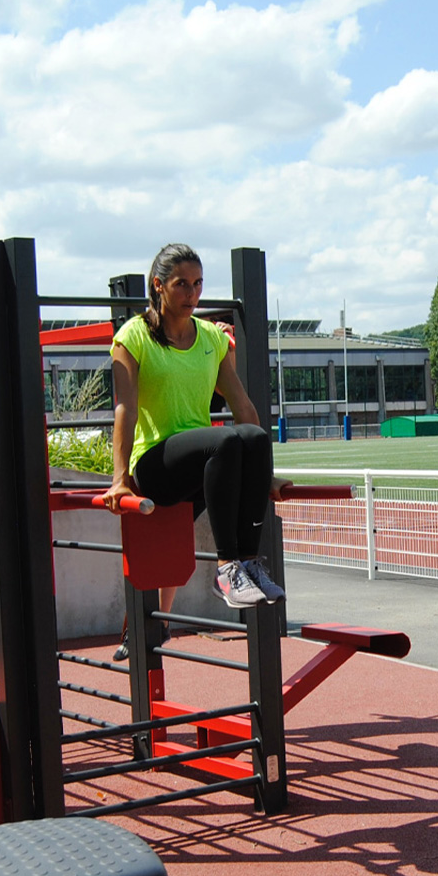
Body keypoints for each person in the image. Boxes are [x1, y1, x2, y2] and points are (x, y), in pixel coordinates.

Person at [103, 243, 287, 609]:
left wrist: (264, 475)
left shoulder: (210, 338)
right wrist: (119, 478)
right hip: (156, 464)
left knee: (254, 436)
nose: (192, 293)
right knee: (226, 441)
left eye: (198, 284)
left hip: (203, 465)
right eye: (182, 284)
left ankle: (248, 562)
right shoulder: (134, 336)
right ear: (159, 285)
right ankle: (227, 569)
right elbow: (126, 408)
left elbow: (242, 405)